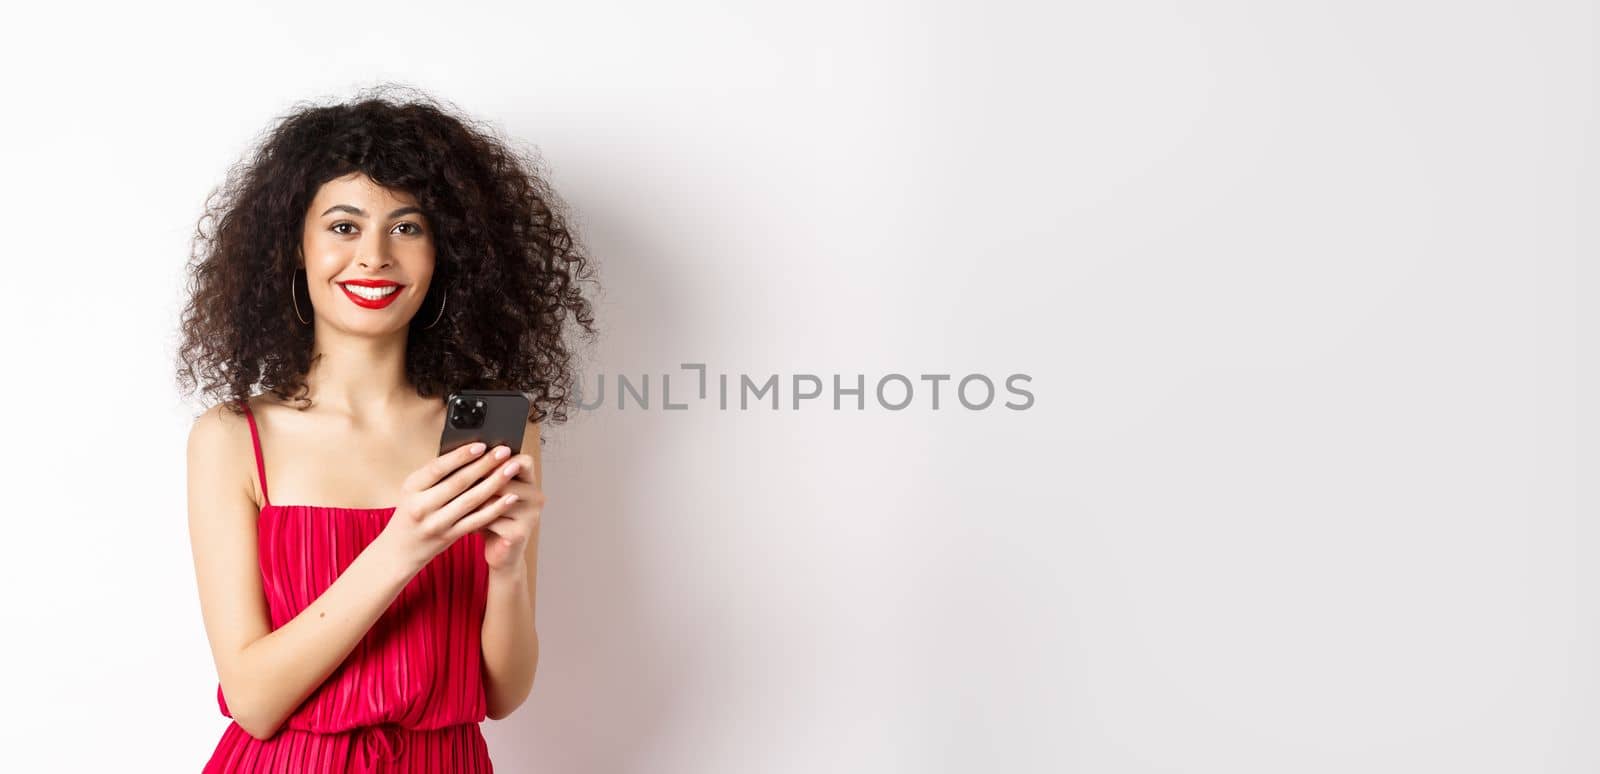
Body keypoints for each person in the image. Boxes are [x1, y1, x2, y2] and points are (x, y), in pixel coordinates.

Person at [175, 84, 599, 772]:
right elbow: (254, 700)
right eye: (344, 227)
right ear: (295, 248)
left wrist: (506, 568)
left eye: (407, 227)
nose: (374, 256)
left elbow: (503, 693)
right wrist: (404, 546)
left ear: (444, 255)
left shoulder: (499, 433)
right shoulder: (232, 439)